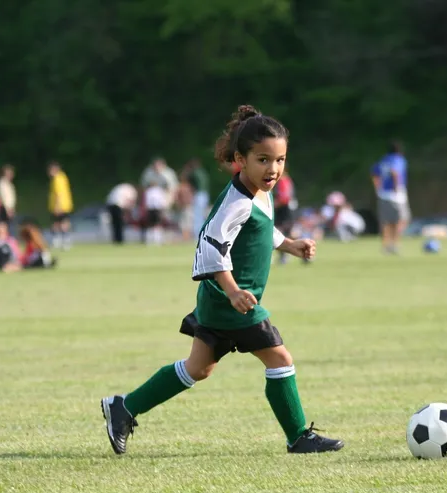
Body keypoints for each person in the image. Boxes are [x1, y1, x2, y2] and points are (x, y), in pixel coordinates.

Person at [100, 104, 344, 456]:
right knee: (280, 359)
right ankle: (298, 437)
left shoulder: (260, 192)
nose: (273, 169)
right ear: (240, 160)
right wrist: (233, 291)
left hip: (223, 301)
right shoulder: (236, 203)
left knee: (197, 369)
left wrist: (289, 244)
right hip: (231, 303)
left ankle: (123, 407)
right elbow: (210, 247)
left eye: (280, 160)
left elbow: (260, 229)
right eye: (263, 160)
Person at [371, 140, 410, 254]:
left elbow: (375, 174)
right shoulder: (398, 159)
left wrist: (378, 188)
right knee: (401, 219)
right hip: (396, 195)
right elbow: (394, 171)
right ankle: (395, 244)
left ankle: (386, 245)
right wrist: (396, 187)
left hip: (383, 194)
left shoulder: (383, 160)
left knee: (387, 221)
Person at [181, 158, 211, 240]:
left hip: (199, 194)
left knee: (197, 215)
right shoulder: (203, 172)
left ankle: (197, 234)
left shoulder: (194, 173)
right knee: (202, 215)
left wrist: (186, 170)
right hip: (205, 194)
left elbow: (184, 178)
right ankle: (203, 233)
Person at [48, 161, 74, 250]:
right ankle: (64, 240)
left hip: (60, 206)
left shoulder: (57, 179)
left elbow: (59, 193)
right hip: (66, 205)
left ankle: (59, 241)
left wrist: (57, 206)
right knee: (62, 223)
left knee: (59, 224)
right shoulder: (63, 177)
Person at [273, 171, 297, 264]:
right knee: (284, 232)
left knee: (283, 232)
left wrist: (273, 205)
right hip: (285, 209)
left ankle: (304, 249)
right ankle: (283, 256)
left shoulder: (283, 181)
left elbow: (284, 198)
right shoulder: (285, 180)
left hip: (285, 210)